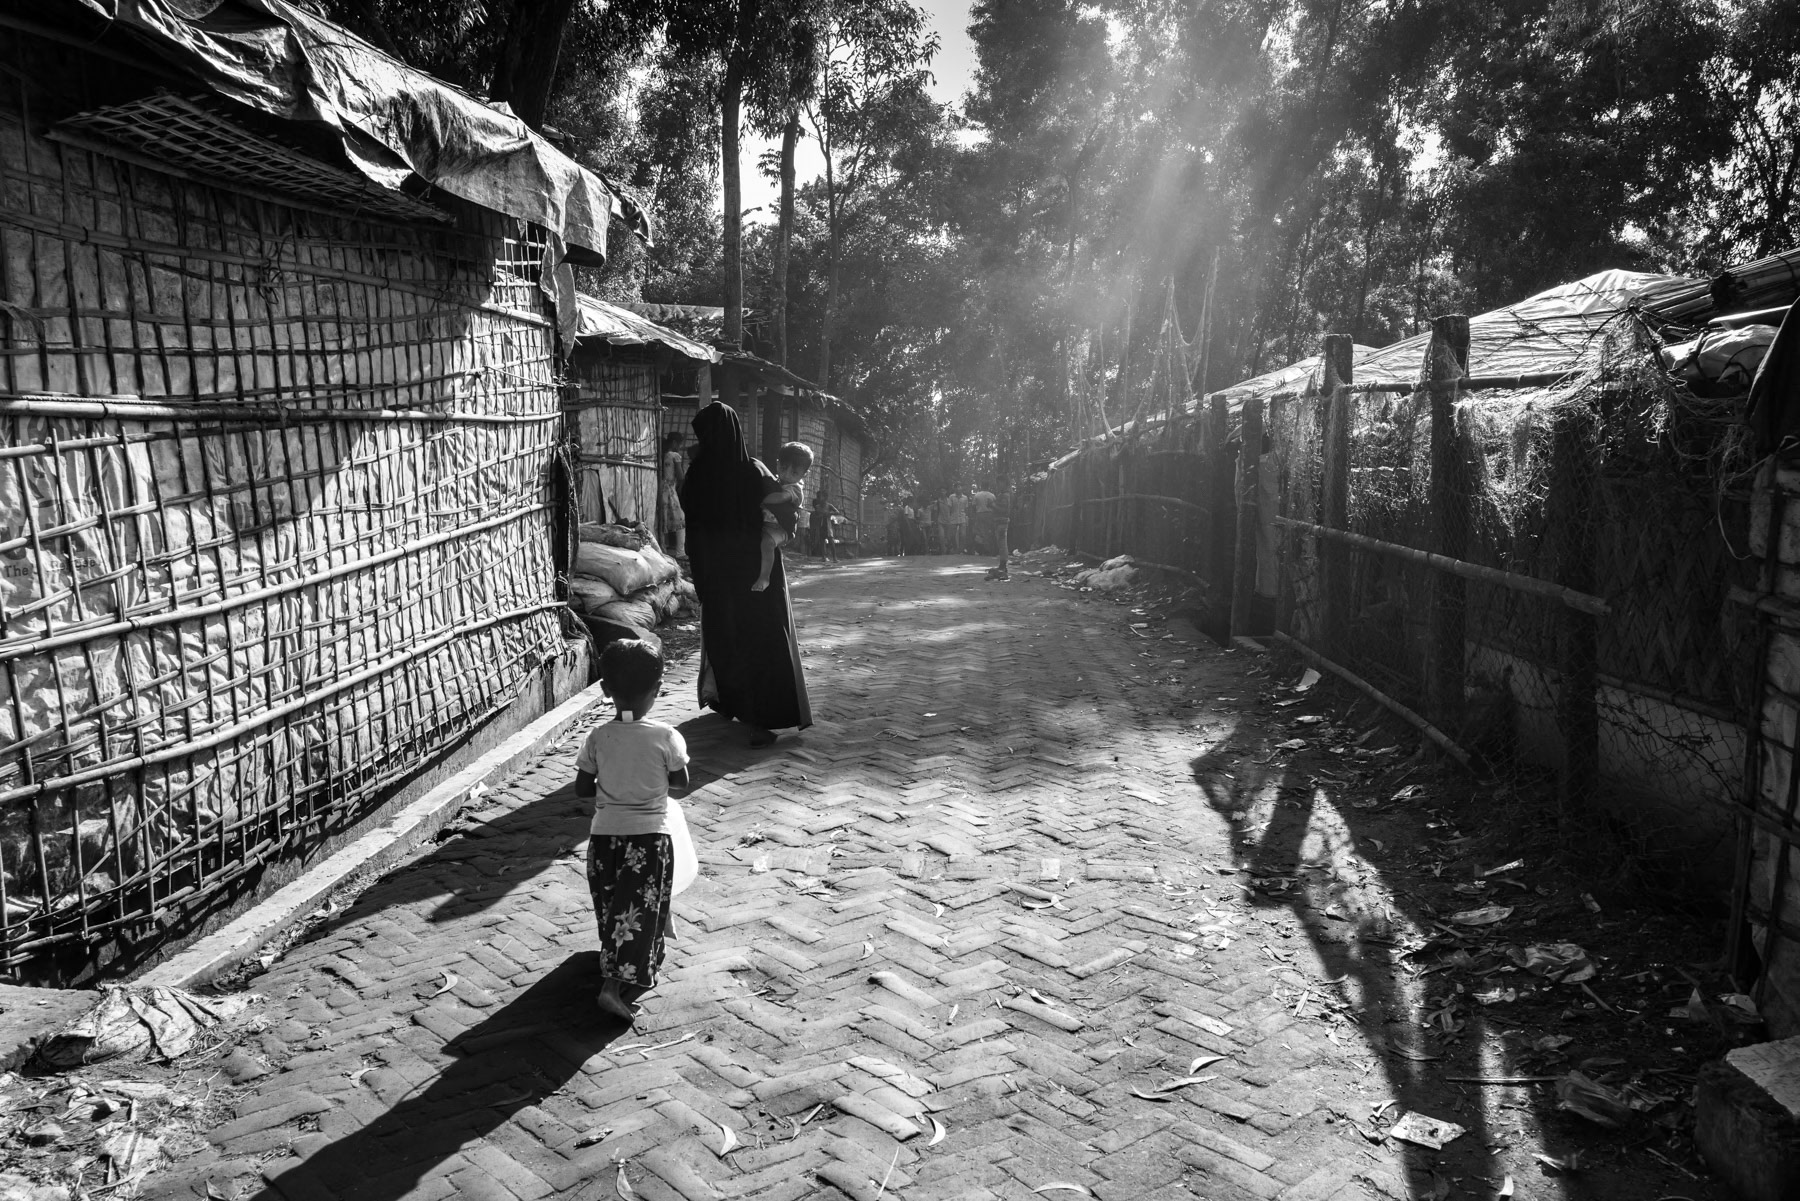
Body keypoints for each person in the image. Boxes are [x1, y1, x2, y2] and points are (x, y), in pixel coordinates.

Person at [574, 639, 696, 1023]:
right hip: (649, 838)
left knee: (613, 907)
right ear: (657, 690)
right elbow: (681, 783)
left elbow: (582, 788)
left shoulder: (598, 737)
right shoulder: (665, 737)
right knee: (640, 910)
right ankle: (614, 986)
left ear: (606, 689)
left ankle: (617, 965)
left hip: (604, 837)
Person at [679, 404, 812, 747]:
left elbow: (692, 526)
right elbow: (788, 514)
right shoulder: (753, 471)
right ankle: (764, 717)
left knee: (729, 637)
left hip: (719, 575)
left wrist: (702, 569)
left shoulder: (696, 475)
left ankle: (736, 704)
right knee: (762, 639)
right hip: (755, 576)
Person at [754, 442, 813, 592]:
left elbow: (780, 498)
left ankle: (764, 577)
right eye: (783, 468)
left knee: (767, 544)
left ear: (803, 475)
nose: (786, 475)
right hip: (768, 524)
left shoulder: (795, 488)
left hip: (780, 529)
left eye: (794, 473)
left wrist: (761, 498)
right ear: (778, 464)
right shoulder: (776, 480)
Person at [659, 432, 688, 557]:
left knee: (663, 518)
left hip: (661, 487)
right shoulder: (675, 456)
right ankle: (680, 552)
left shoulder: (663, 455)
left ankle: (663, 549)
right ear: (675, 443)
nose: (680, 447)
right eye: (680, 444)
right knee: (681, 519)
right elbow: (681, 476)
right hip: (670, 488)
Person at [986, 480, 1014, 580]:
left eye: (1000, 483)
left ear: (1004, 484)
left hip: (1002, 522)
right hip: (999, 521)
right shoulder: (1004, 494)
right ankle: (1002, 565)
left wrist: (992, 505)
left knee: (1002, 544)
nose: (998, 485)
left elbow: (1004, 510)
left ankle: (1003, 565)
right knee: (1001, 543)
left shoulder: (1005, 496)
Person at [969, 485, 995, 554]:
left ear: (981, 486)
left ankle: (981, 549)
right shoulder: (992, 495)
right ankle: (988, 549)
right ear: (988, 487)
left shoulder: (977, 495)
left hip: (980, 514)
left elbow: (973, 506)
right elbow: (994, 505)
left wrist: (974, 515)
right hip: (989, 514)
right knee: (988, 531)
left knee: (980, 532)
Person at [944, 488, 967, 554]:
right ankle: (955, 547)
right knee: (952, 535)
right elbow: (949, 508)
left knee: (963, 534)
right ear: (955, 489)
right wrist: (948, 517)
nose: (959, 489)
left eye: (960, 487)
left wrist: (967, 517)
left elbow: (966, 508)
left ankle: (961, 549)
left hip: (962, 517)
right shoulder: (951, 497)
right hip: (953, 517)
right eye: (957, 487)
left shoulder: (965, 497)